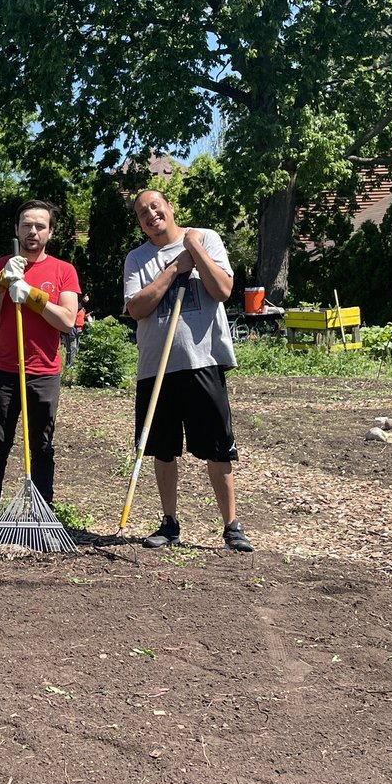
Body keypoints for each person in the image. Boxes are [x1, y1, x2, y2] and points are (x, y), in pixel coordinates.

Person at [123, 189, 252, 552]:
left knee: (217, 447)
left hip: (202, 361)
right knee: (162, 449)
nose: (150, 215)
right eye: (142, 213)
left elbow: (223, 289)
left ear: (170, 208)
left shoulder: (205, 237)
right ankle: (169, 523)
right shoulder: (137, 258)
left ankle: (231, 525)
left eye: (155, 206)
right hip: (156, 367)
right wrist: (174, 270)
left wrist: (194, 250)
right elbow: (137, 308)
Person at [0, 200, 81, 549]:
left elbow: (66, 321)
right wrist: (1, 284)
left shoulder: (64, 270)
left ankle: (42, 517)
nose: (33, 232)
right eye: (26, 225)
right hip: (5, 370)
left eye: (40, 226)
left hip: (44, 371)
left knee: (42, 447)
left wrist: (31, 295)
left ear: (50, 232)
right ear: (16, 229)